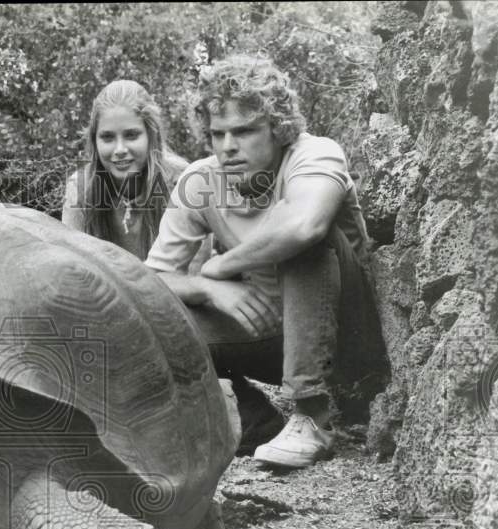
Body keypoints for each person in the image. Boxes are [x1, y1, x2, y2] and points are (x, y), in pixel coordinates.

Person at [145, 55, 374, 468]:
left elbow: (305, 226)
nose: (228, 146)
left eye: (245, 130)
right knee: (162, 325)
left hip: (350, 334)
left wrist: (221, 265)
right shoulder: (200, 180)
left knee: (305, 243)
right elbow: (146, 281)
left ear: (278, 127)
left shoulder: (314, 153)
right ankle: (250, 418)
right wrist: (204, 286)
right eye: (218, 134)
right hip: (273, 333)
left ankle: (312, 416)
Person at [62, 79, 194, 262]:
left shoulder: (184, 182)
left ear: (151, 135)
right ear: (95, 141)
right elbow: (73, 266)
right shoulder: (80, 187)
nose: (120, 149)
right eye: (107, 137)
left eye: (131, 135)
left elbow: (193, 271)